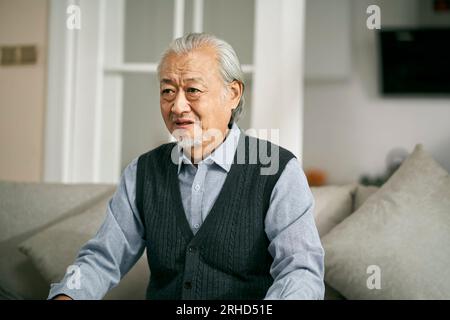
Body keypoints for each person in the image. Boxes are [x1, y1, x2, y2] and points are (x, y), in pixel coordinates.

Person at [50, 33, 325, 300]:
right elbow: (103, 258)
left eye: (192, 90)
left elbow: (300, 272)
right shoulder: (143, 171)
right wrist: (68, 295)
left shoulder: (276, 170)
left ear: (232, 94)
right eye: (168, 91)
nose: (178, 106)